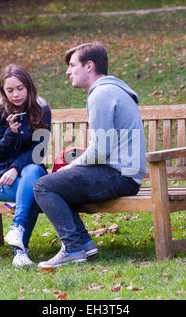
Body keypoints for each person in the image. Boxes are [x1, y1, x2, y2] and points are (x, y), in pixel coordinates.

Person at [33, 42, 146, 269]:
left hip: (120, 175)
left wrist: (70, 168)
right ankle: (83, 243)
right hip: (123, 172)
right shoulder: (110, 90)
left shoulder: (102, 95)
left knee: (44, 186)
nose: (68, 71)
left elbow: (101, 151)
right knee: (57, 184)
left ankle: (74, 248)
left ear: (89, 66)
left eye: (73, 65)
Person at [0, 64, 51, 267]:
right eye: (9, 90)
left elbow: (39, 151)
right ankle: (20, 252)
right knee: (35, 191)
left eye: (20, 88)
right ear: (3, 91)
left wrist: (16, 168)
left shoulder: (41, 110)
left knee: (33, 172)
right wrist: (10, 134)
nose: (15, 95)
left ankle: (18, 233)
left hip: (28, 172)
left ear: (28, 87)